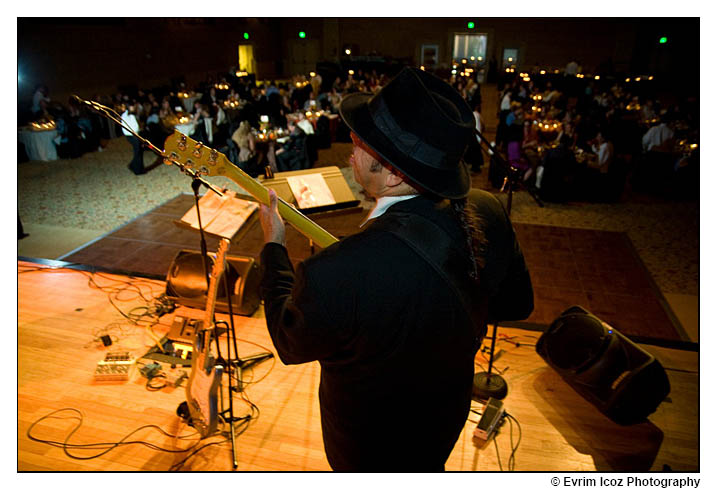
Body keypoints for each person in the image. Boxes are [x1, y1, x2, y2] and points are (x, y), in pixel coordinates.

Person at [257, 67, 533, 471]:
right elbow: (517, 304)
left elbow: (289, 340)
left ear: (393, 173)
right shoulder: (488, 209)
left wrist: (273, 247)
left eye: (362, 140)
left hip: (368, 446)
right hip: (441, 422)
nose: (350, 141)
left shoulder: (336, 271)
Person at [121, 101, 145, 175]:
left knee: (139, 151)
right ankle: (137, 170)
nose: (133, 108)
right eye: (132, 106)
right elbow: (128, 128)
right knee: (137, 152)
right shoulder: (126, 115)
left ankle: (136, 167)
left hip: (135, 135)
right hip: (131, 136)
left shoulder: (132, 115)